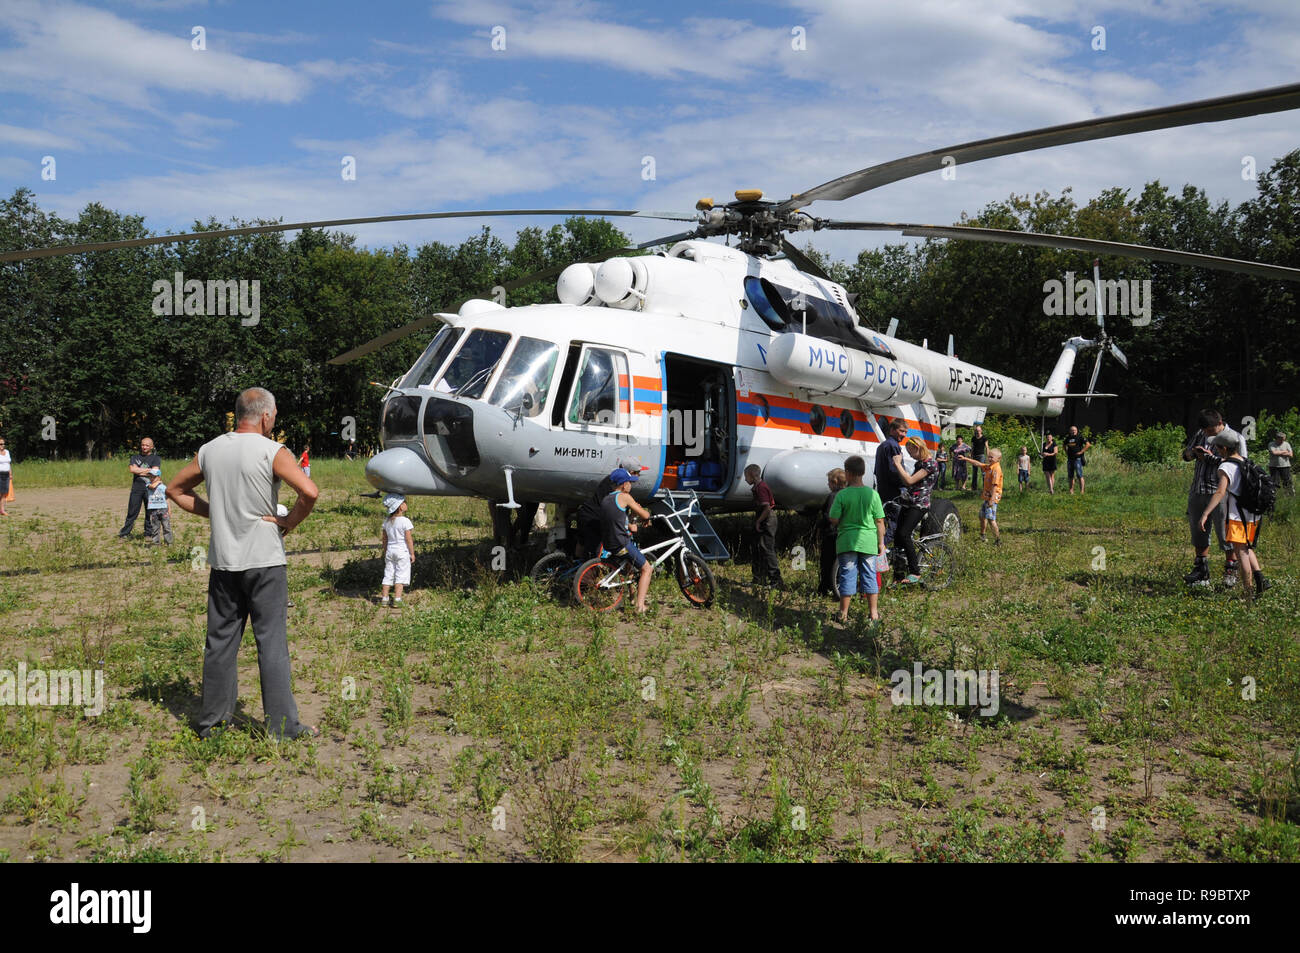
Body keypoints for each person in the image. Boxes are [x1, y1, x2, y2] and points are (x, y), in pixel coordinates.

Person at [167, 387, 319, 741]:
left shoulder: (210, 450)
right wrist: (289, 522)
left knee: (219, 642)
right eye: (274, 415)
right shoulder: (273, 451)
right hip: (265, 561)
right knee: (271, 643)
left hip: (224, 562)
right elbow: (309, 492)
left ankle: (212, 725)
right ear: (265, 416)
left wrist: (216, 512)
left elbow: (175, 490)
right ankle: (282, 727)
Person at [1200, 431, 1270, 599]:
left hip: (1237, 517)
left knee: (1241, 554)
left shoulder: (1226, 467)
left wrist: (1205, 513)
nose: (1217, 450)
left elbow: (1220, 492)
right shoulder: (1245, 461)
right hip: (1252, 516)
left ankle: (1248, 592)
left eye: (1217, 447)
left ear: (1224, 448)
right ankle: (1260, 579)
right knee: (1246, 547)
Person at [1182, 409, 1246, 588]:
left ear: (1220, 423)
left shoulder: (1236, 438)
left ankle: (1230, 570)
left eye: (1210, 431)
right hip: (1198, 489)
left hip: (1221, 492)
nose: (1208, 434)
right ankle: (1201, 570)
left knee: (1225, 533)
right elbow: (1186, 455)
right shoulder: (1200, 434)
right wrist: (1193, 453)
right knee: (1198, 530)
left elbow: (1240, 465)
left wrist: (1210, 459)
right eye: (1205, 431)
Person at [829, 455, 886, 623]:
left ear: (848, 473)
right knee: (869, 575)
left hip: (847, 542)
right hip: (868, 542)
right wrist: (881, 543)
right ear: (863, 472)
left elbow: (833, 518)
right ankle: (873, 614)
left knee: (847, 575)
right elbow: (879, 521)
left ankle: (843, 614)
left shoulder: (842, 495)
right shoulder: (873, 494)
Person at [601, 467, 653, 612]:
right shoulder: (624, 497)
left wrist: (631, 521)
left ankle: (631, 598)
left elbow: (617, 520)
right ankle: (640, 606)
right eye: (630, 482)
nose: (631, 485)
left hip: (609, 543)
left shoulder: (606, 499)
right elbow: (645, 515)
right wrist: (645, 515)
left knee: (629, 566)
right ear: (624, 485)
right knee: (647, 569)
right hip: (621, 543)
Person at [893, 438, 940, 584]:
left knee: (904, 534)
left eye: (911, 452)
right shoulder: (919, 463)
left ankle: (915, 572)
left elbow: (910, 481)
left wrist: (897, 464)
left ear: (918, 448)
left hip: (919, 504)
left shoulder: (930, 464)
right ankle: (899, 575)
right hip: (909, 502)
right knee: (898, 537)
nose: (910, 455)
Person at [745, 463, 783, 588]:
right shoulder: (757, 487)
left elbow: (767, 507)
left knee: (767, 548)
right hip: (763, 518)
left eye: (746, 476)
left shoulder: (761, 487)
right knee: (758, 548)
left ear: (752, 475)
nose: (745, 479)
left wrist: (758, 521)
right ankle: (758, 578)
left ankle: (776, 581)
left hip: (767, 519)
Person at [117, 437, 161, 538]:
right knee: (132, 512)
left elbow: (155, 472)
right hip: (136, 488)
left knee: (150, 512)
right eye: (142, 445)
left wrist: (139, 470)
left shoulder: (156, 458)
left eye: (147, 445)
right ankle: (124, 533)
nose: (144, 447)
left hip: (150, 488)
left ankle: (148, 533)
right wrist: (148, 470)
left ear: (151, 447)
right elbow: (132, 470)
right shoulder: (134, 457)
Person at [873, 418, 907, 543]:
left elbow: (876, 471)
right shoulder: (893, 446)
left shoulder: (881, 446)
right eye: (901, 431)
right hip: (894, 492)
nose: (904, 435)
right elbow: (895, 471)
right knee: (895, 526)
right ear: (892, 430)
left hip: (883, 491)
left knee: (886, 522)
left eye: (905, 432)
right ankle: (879, 548)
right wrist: (907, 483)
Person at [960, 447, 1003, 543]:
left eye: (991, 457)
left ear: (998, 459)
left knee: (991, 519)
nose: (989, 458)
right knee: (982, 516)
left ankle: (998, 540)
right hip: (987, 497)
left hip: (992, 498)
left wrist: (992, 500)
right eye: (989, 456)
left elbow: (995, 486)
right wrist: (965, 458)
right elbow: (978, 463)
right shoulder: (989, 466)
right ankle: (983, 535)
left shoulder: (996, 469)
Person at [379, 494, 415, 606]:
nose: (406, 504)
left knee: (388, 574)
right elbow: (408, 539)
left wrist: (385, 551)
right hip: (402, 552)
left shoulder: (387, 521)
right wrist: (412, 553)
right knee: (401, 574)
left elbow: (384, 539)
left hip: (390, 551)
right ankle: (397, 599)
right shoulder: (405, 521)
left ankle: (384, 598)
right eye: (404, 502)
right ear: (400, 507)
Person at [817, 468, 847, 597]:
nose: (828, 484)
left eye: (829, 481)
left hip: (831, 533)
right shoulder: (848, 494)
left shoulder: (833, 496)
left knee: (827, 562)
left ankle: (825, 588)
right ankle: (839, 587)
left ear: (834, 482)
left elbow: (829, 515)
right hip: (845, 533)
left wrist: (820, 525)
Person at [144, 468, 173, 545]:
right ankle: (156, 543)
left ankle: (169, 543)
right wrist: (159, 482)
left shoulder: (163, 487)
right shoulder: (148, 484)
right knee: (155, 528)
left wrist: (169, 509)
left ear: (159, 477)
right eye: (150, 476)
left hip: (163, 509)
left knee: (166, 527)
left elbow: (167, 498)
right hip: (154, 510)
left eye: (154, 477)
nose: (151, 478)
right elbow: (153, 487)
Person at [1064, 426, 1092, 494]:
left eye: (1075, 430)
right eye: (1072, 430)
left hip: (1077, 459)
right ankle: (1071, 491)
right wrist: (1066, 452)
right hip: (1070, 459)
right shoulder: (1068, 438)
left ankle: (1082, 491)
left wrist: (1081, 451)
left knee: (1079, 475)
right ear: (1070, 431)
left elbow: (1088, 444)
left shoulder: (1080, 437)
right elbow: (1064, 445)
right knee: (1070, 475)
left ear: (1077, 431)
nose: (1073, 431)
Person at [1268, 430, 1294, 497]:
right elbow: (1274, 453)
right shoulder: (1271, 444)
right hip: (1274, 466)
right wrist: (1285, 452)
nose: (1283, 441)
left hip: (1285, 466)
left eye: (1284, 439)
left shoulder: (1287, 444)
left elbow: (1291, 455)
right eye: (1281, 439)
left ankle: (1290, 495)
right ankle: (1274, 496)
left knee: (1287, 481)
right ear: (1277, 438)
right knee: (1274, 482)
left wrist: (1279, 452)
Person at [970, 425, 989, 492]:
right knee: (974, 472)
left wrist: (988, 456)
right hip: (974, 456)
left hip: (981, 456)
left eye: (979, 430)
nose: (978, 432)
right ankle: (974, 488)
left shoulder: (984, 438)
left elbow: (987, 447)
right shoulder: (973, 438)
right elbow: (972, 447)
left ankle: (985, 487)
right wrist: (971, 455)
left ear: (981, 431)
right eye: (976, 431)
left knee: (983, 472)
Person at [0, 435, 11, 516]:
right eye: (0, 444)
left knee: (4, 493)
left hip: (6, 475)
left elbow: (8, 463)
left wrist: (10, 473)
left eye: (3, 444)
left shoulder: (7, 452)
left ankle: (2, 510)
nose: (2, 445)